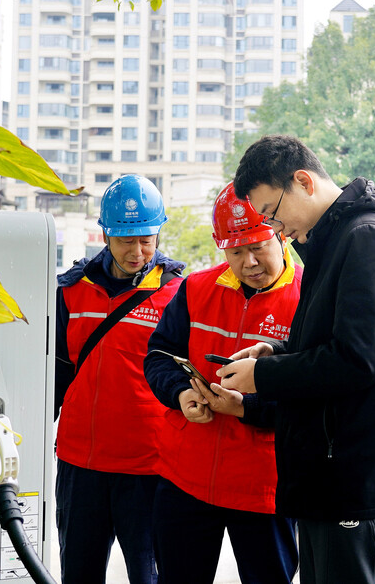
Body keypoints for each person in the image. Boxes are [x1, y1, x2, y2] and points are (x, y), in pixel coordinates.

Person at [220, 134, 375, 584]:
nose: (274, 229)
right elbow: (332, 342)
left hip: (356, 479)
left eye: (273, 212)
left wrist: (265, 375)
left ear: (302, 181)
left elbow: (357, 359)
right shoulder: (335, 240)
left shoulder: (369, 238)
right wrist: (274, 352)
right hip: (329, 478)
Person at [143, 182, 301, 584]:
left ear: (279, 235)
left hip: (266, 489)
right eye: (235, 251)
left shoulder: (309, 297)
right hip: (185, 479)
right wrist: (180, 394)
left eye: (257, 247)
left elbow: (314, 393)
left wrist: (246, 408)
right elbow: (158, 357)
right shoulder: (196, 289)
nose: (248, 262)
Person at [54, 174, 185, 584]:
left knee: (148, 575)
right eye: (126, 239)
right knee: (79, 572)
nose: (137, 250)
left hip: (148, 466)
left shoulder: (177, 293)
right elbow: (56, 373)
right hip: (81, 464)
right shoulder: (71, 291)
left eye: (147, 239)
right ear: (105, 234)